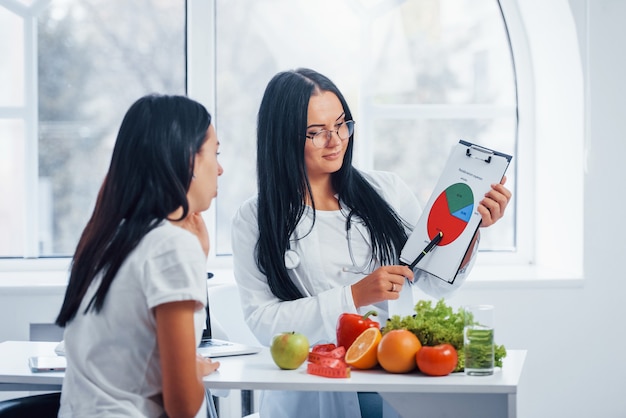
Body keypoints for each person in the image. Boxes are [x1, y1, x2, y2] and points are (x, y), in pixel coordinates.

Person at [231, 68, 512, 418]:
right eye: (316, 133)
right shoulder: (254, 219)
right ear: (282, 138)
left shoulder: (387, 191)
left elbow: (437, 282)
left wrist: (472, 230)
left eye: (341, 125)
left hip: (392, 383)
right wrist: (354, 296)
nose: (335, 141)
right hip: (311, 394)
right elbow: (263, 322)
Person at [55, 94, 223, 418]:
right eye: (213, 154)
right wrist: (193, 375)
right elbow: (183, 406)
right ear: (189, 160)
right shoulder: (172, 246)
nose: (220, 168)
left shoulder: (106, 238)